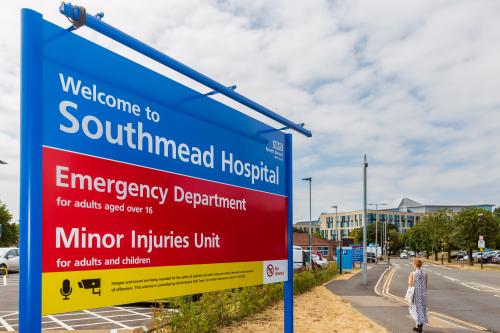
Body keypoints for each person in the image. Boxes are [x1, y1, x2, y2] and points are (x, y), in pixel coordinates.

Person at [408, 258, 428, 332]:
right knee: (422, 309)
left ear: (415, 265)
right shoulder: (425, 273)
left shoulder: (412, 273)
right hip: (423, 293)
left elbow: (410, 284)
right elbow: (426, 285)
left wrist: (409, 281)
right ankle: (419, 326)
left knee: (414, 309)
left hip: (415, 293)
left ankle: (418, 325)